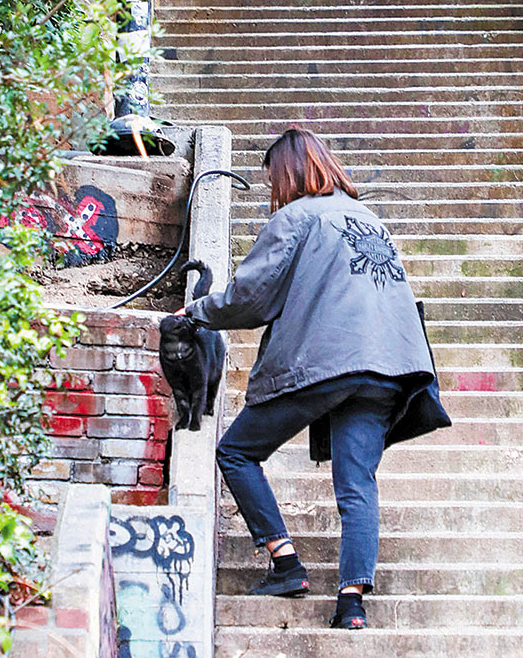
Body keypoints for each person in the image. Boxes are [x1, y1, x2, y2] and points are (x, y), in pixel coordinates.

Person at [177, 128, 444, 629]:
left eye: (273, 179)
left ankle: (285, 562)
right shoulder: (370, 220)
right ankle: (351, 605)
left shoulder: (295, 218)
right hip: (390, 367)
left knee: (235, 451)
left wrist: (196, 313)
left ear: (287, 174)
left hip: (325, 362)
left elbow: (249, 298)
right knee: (357, 483)